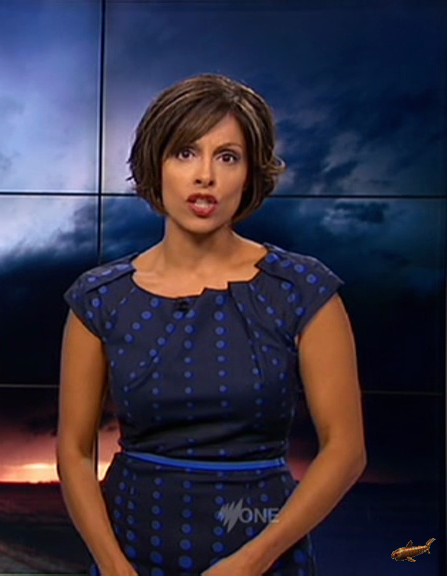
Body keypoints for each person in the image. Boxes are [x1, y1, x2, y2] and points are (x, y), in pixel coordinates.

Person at [55, 74, 366, 576]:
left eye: (227, 157)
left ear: (250, 174)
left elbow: (346, 451)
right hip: (132, 548)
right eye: (185, 153)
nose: (205, 176)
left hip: (263, 552)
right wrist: (112, 566)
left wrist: (253, 561)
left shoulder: (301, 290)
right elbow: (74, 449)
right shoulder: (100, 297)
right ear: (155, 165)